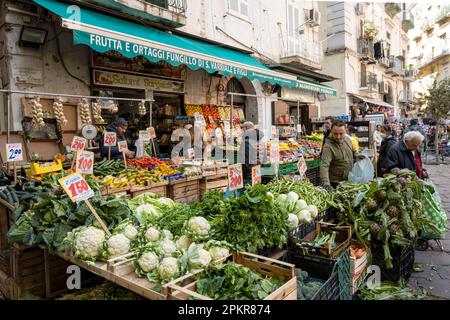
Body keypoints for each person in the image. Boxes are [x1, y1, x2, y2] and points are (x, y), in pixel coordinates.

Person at [320, 120, 355, 190]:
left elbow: (352, 152)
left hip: (349, 180)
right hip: (336, 183)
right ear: (331, 131)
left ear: (346, 131)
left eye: (341, 134)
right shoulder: (328, 147)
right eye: (335, 134)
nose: (338, 137)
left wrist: (357, 156)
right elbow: (324, 165)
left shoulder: (348, 140)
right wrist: (326, 182)